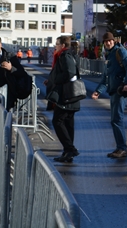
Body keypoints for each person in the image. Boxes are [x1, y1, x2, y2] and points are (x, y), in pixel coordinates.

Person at [92, 32, 127, 158]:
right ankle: (119, 148)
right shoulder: (110, 55)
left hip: (120, 90)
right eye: (106, 42)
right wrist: (98, 90)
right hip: (113, 90)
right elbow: (106, 77)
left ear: (114, 41)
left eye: (110, 41)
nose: (108, 43)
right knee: (114, 120)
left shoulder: (120, 52)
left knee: (117, 119)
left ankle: (122, 148)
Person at [44, 35, 81, 163]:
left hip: (67, 95)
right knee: (68, 123)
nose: (56, 46)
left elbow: (70, 73)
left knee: (58, 121)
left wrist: (56, 81)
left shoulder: (65, 56)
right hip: (69, 95)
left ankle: (70, 149)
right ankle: (67, 153)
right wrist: (51, 81)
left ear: (63, 46)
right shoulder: (68, 54)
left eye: (57, 44)